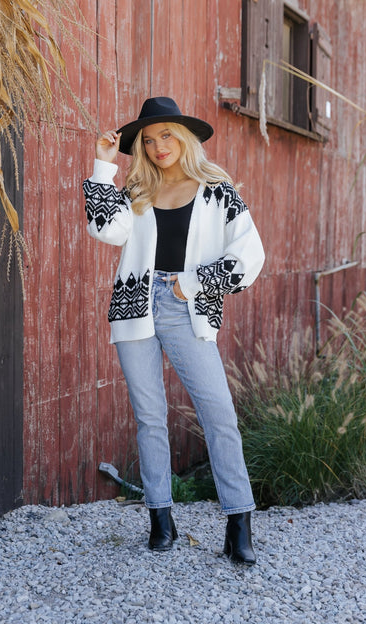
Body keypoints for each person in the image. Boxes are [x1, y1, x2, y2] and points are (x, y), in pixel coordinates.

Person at [82, 97, 265, 565]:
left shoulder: (217, 190)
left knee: (219, 413)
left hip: (187, 308)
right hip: (134, 306)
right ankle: (161, 519)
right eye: (147, 139)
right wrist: (104, 165)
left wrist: (193, 284)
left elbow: (250, 256)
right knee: (149, 417)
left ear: (184, 137)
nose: (158, 145)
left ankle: (238, 523)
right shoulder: (137, 192)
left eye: (166, 134)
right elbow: (104, 228)